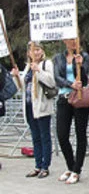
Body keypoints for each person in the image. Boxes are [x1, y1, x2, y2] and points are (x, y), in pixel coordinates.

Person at [11, 42, 55, 179]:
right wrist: (16, 76)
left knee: (44, 137)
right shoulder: (27, 67)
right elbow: (22, 87)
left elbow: (51, 82)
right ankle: (37, 165)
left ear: (42, 51)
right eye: (33, 50)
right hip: (30, 107)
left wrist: (38, 71)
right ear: (28, 53)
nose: (35, 52)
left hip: (42, 107)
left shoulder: (46, 64)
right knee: (35, 138)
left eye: (38, 50)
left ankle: (45, 166)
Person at [53, 38, 89, 184]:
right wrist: (71, 84)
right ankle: (71, 166)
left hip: (80, 98)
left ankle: (77, 170)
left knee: (80, 133)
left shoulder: (85, 56)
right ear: (64, 41)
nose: (74, 42)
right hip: (64, 97)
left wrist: (80, 65)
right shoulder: (58, 58)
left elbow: (85, 76)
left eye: (75, 39)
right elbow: (57, 77)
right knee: (62, 134)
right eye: (70, 39)